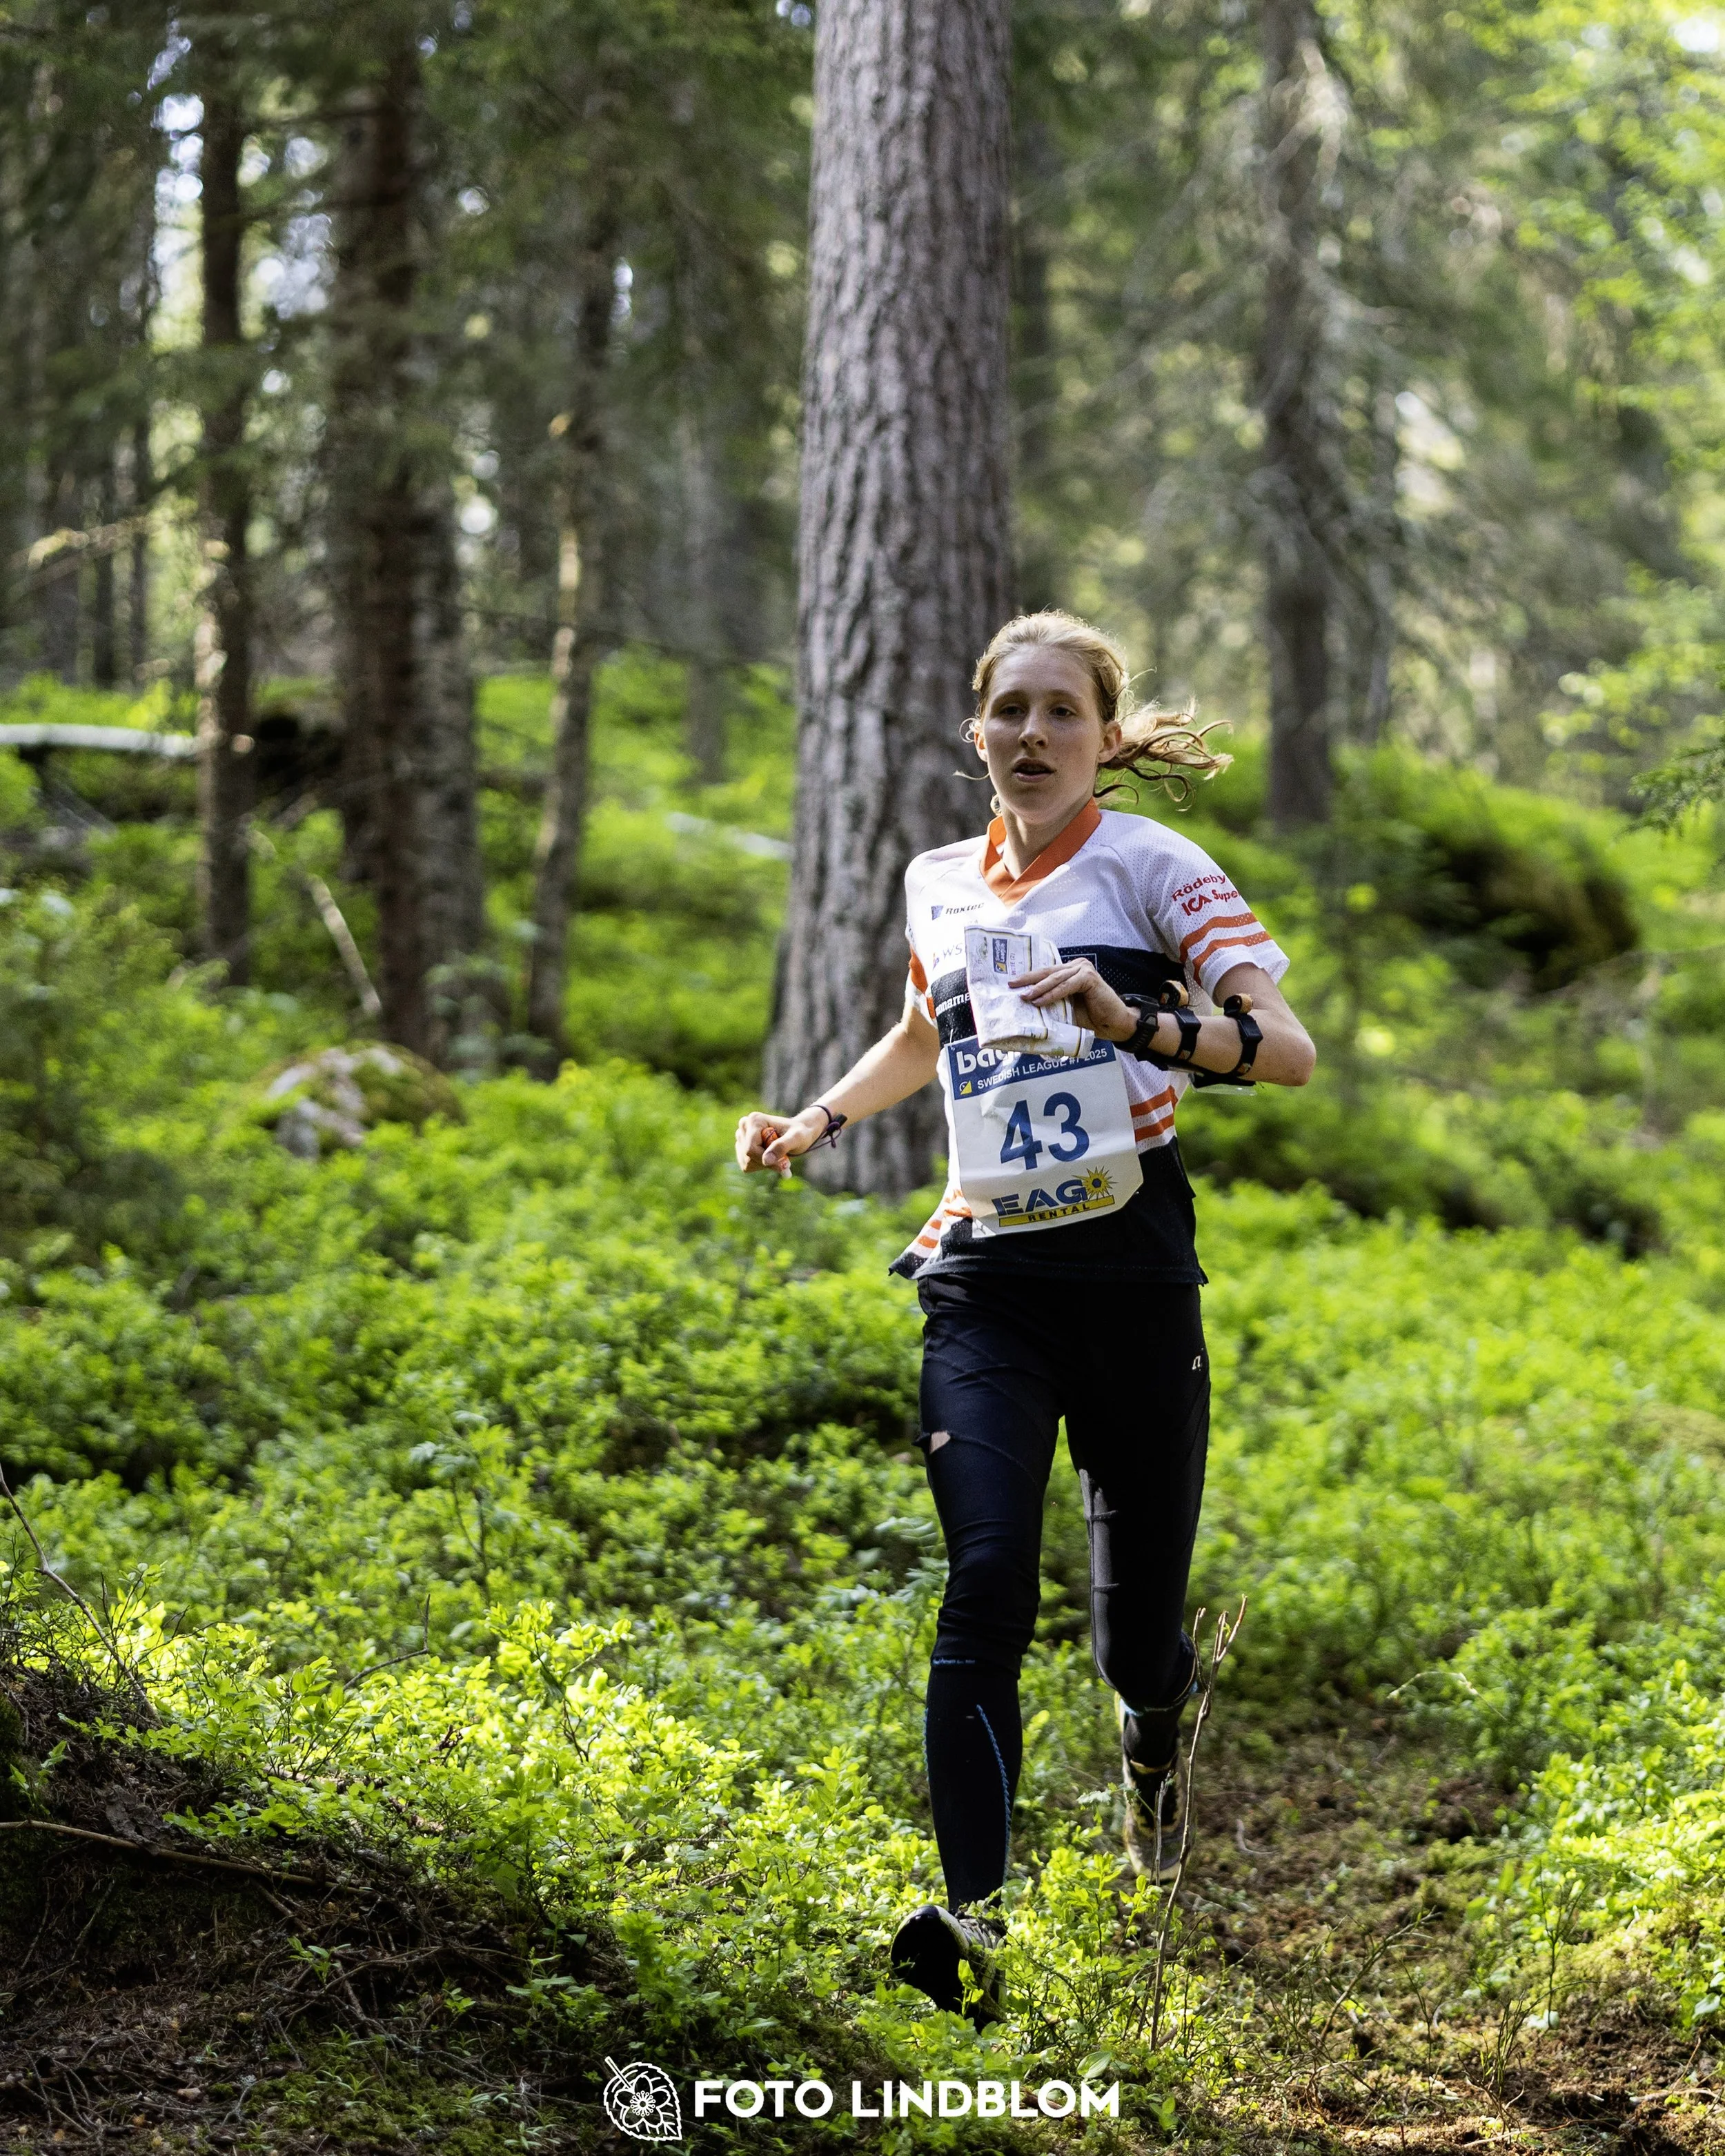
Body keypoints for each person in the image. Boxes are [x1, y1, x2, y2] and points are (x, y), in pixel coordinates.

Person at [735, 611, 1315, 2022]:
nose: (1035, 735)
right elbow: (930, 1027)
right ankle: (971, 1925)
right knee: (984, 1574)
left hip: (1127, 1276)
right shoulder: (940, 876)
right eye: (1012, 711)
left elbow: (1283, 1051)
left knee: (1133, 1639)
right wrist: (815, 1115)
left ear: (1105, 738)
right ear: (974, 731)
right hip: (982, 1273)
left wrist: (1134, 1026)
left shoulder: (1156, 867)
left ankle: (1150, 1754)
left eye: (1064, 712)